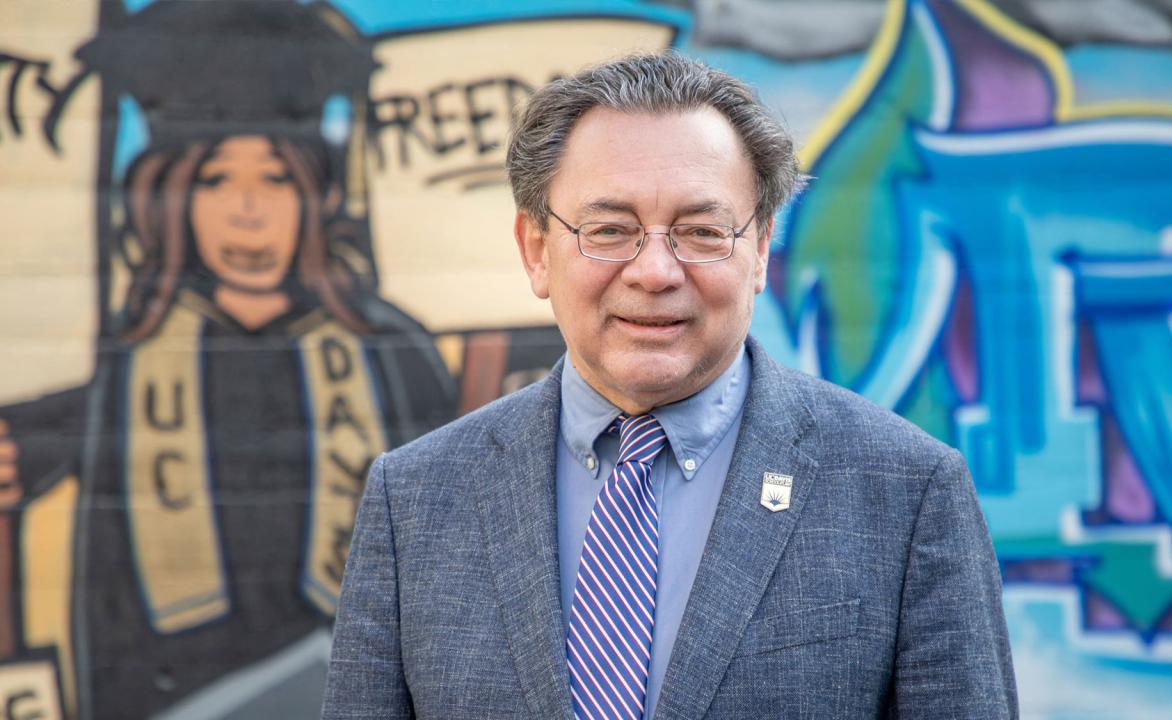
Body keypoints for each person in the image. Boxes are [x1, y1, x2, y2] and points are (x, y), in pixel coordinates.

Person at [323, 52, 1016, 719]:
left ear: (760, 249)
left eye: (701, 231)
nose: (654, 270)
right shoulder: (414, 500)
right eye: (609, 230)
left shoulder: (907, 490)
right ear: (536, 250)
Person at [0, 2, 456, 716]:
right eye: (215, 182)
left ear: (316, 194)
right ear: (169, 199)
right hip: (166, 687)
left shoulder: (390, 352)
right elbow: (75, 436)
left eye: (275, 179)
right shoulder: (132, 356)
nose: (248, 211)